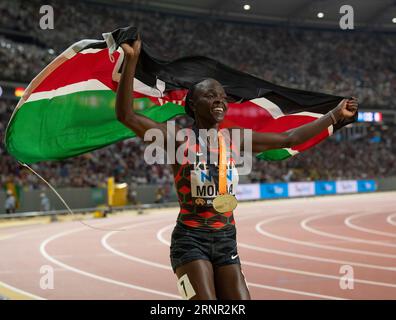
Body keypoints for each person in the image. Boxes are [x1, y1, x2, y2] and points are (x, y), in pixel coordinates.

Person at [115, 38, 358, 300]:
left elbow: (290, 138)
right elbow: (127, 115)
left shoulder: (235, 139)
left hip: (226, 238)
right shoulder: (177, 139)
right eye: (210, 96)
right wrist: (131, 61)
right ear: (193, 105)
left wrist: (334, 115)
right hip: (190, 239)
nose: (219, 101)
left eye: (221, 97)